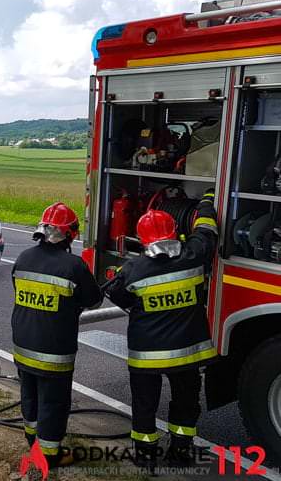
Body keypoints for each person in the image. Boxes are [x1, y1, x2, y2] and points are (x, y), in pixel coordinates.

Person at [105, 191, 218, 470]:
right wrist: (206, 201)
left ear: (143, 240)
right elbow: (207, 230)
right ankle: (180, 452)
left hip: (147, 356)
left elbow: (118, 296)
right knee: (186, 402)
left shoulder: (134, 269)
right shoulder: (194, 255)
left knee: (145, 406)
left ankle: (145, 456)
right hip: (186, 354)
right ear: (175, 232)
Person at [11, 202, 102, 467]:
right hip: (53, 350)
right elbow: (93, 301)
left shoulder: (23, 258)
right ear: (70, 234)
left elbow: (19, 289)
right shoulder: (73, 265)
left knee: (29, 394)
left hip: (23, 344)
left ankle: (32, 439)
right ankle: (50, 455)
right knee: (53, 401)